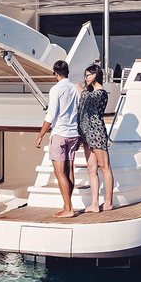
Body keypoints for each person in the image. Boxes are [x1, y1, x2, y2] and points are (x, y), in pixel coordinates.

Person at [36, 60, 79, 218]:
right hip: (74, 134)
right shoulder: (75, 88)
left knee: (60, 172)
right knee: (69, 171)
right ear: (67, 72)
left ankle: (68, 209)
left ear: (55, 73)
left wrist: (40, 135)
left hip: (60, 134)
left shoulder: (56, 89)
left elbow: (51, 115)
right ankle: (67, 204)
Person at [76, 64, 114, 212]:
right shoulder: (89, 92)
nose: (86, 78)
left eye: (88, 75)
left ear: (95, 75)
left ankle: (108, 202)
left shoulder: (101, 92)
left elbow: (91, 102)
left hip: (97, 133)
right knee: (91, 169)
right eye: (85, 75)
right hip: (86, 135)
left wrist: (81, 91)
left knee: (105, 167)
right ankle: (94, 203)